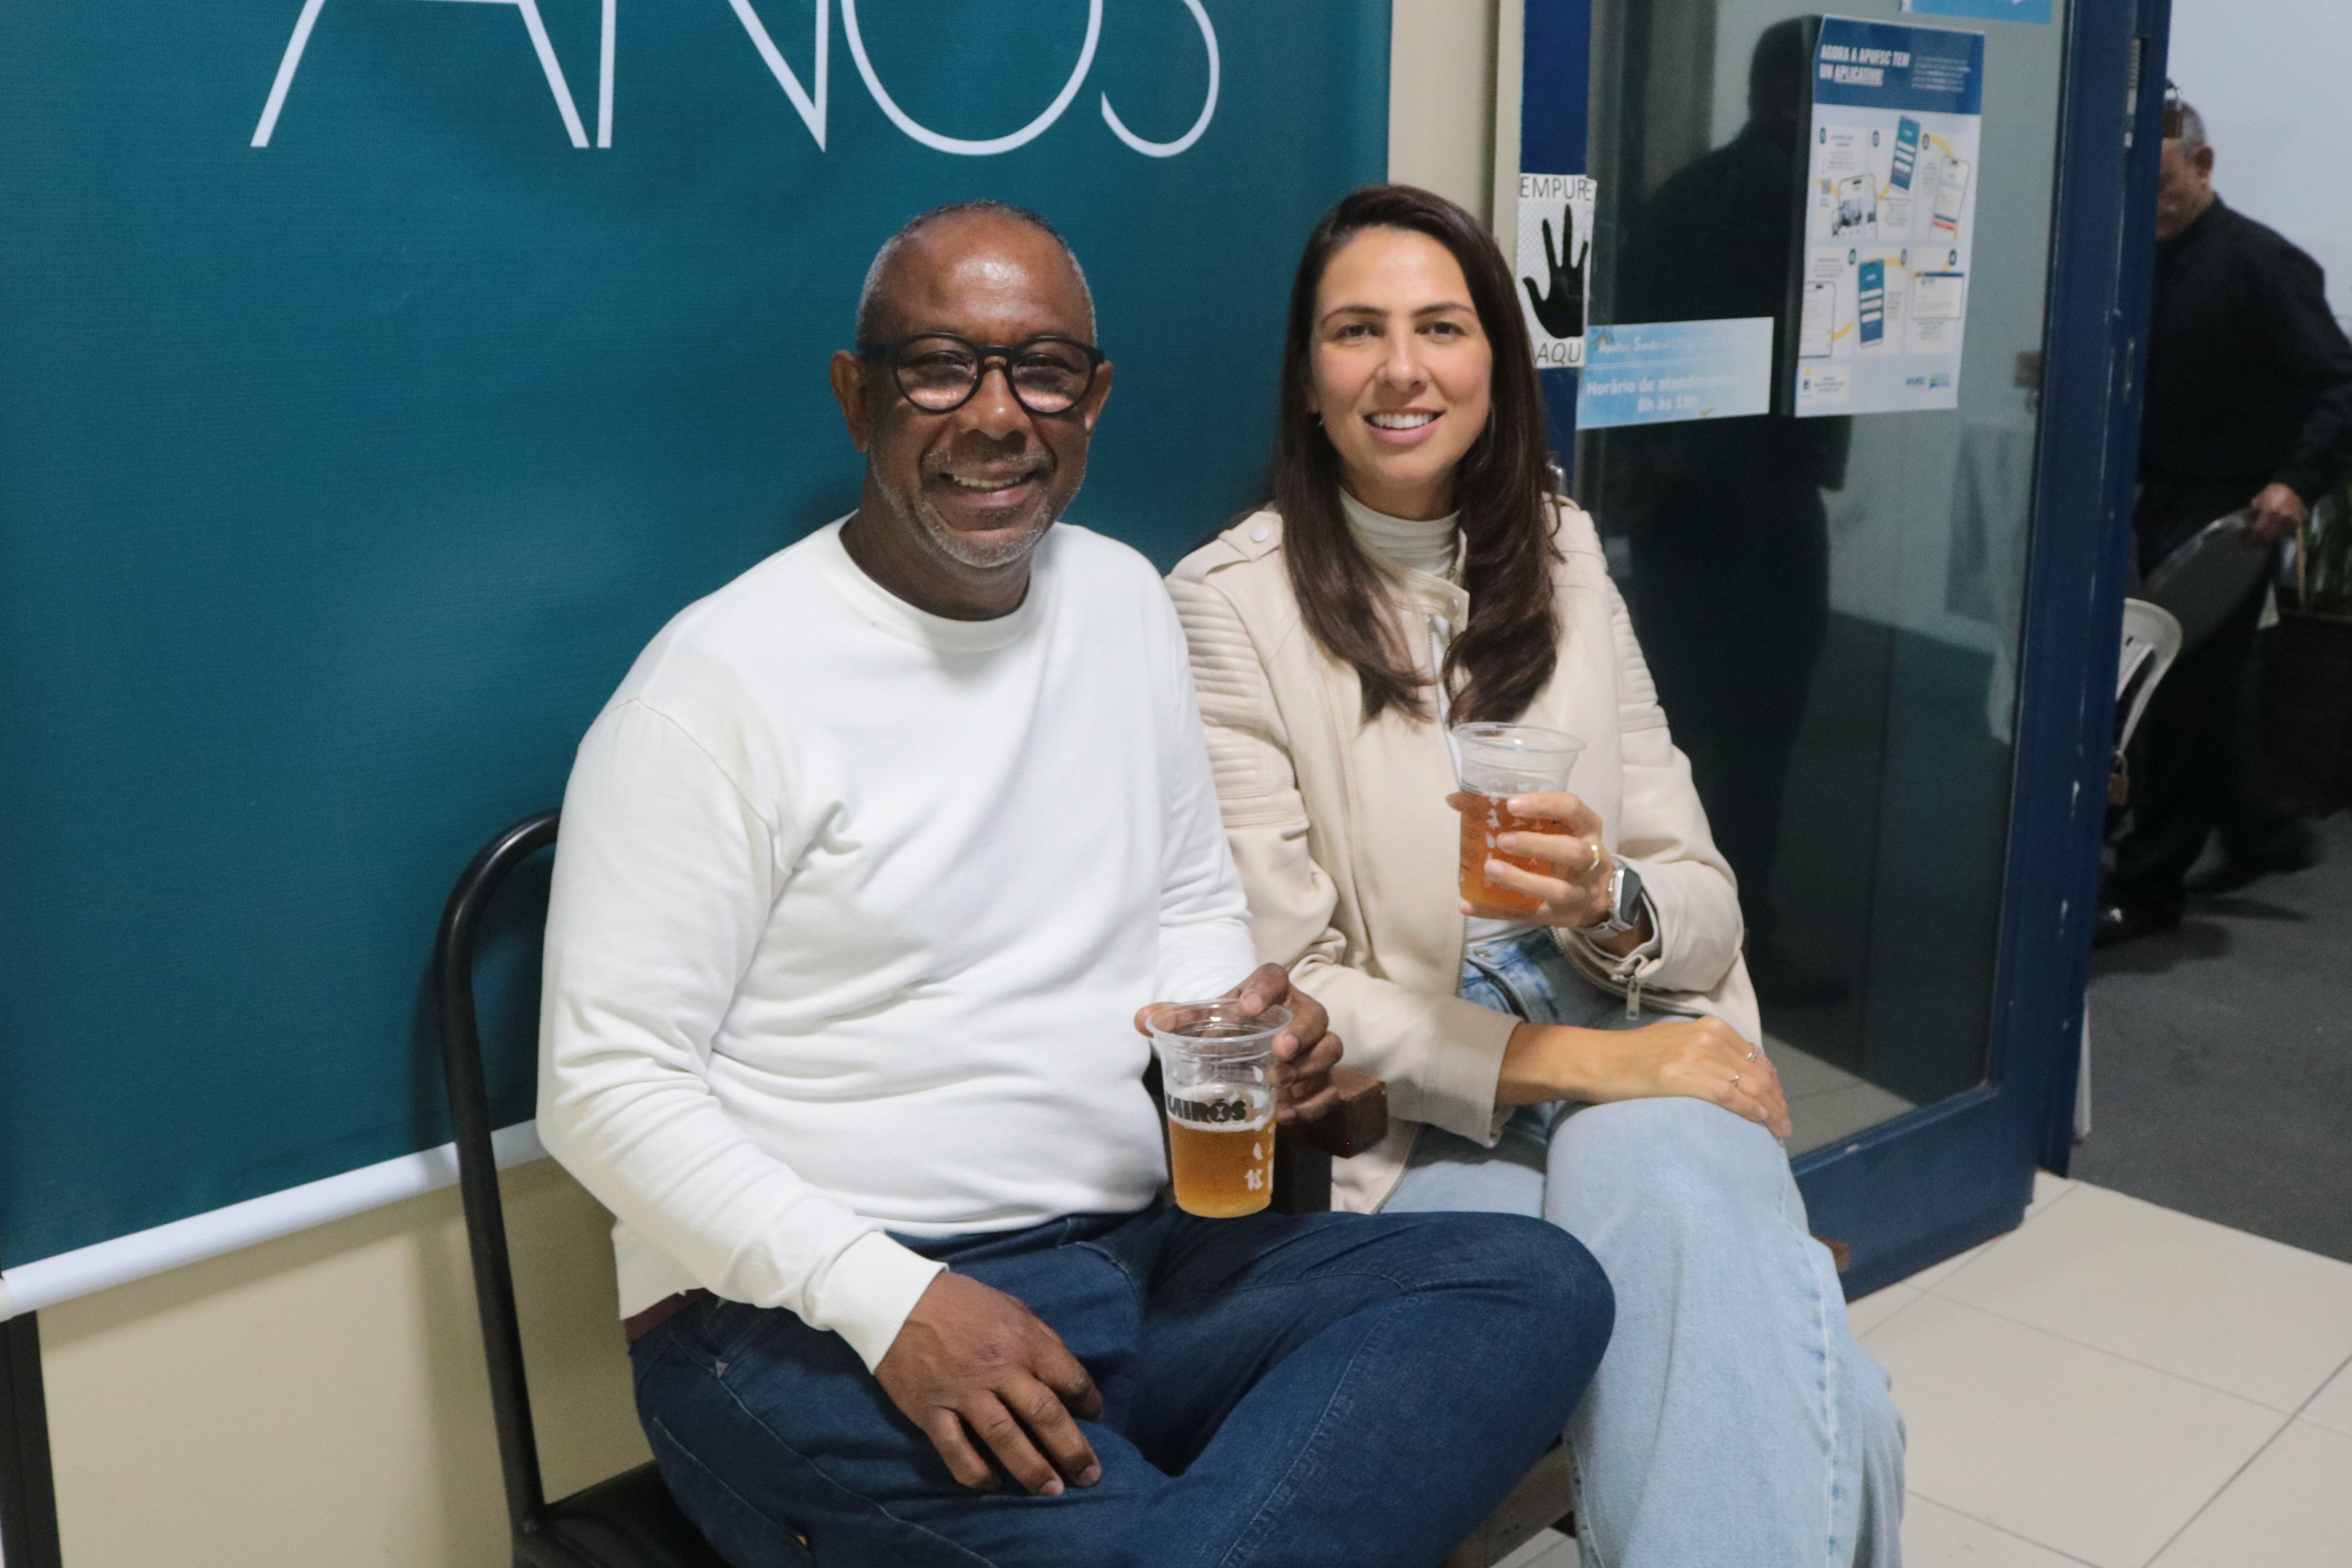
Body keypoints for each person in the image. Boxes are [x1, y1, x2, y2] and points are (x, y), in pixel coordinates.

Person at [536, 199, 1613, 1568]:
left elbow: (1183, 902)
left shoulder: (1119, 604)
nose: (997, 415)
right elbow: (603, 1088)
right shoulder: (716, 687)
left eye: (1041, 370)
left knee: (1527, 1280)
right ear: (857, 396)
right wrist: (896, 1303)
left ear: (1092, 400)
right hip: (809, 1322)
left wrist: (1242, 1028)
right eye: (940, 368)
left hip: (1136, 1264)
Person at [1167, 185, 1904, 1568]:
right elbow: (1292, 986)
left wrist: (1604, 902)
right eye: (1356, 331)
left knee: (1673, 1188)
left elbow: (1701, 894)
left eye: (1442, 327)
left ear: (1497, 368)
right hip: (1432, 1122)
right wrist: (1599, 1063)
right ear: (1308, 381)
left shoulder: (1565, 555)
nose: (1401, 368)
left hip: (1645, 1046)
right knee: (1827, 1394)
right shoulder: (1228, 603)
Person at [1603, 18, 1853, 1007]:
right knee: (1742, 741)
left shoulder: (1690, 198)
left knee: (1689, 737)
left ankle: (1674, 943)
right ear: (1791, 97)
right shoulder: (1786, 203)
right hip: (1744, 511)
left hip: (1695, 510)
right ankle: (1727, 944)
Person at [2100, 94, 2352, 942]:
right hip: (2144, 499)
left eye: (2162, 182)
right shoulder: (2134, 260)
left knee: (2184, 703)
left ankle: (2149, 890)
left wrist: (2295, 485)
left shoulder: (2262, 265)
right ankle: (2257, 828)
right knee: (2183, 693)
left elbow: (2339, 385)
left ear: (2203, 166)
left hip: (2230, 516)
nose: (2148, 202)